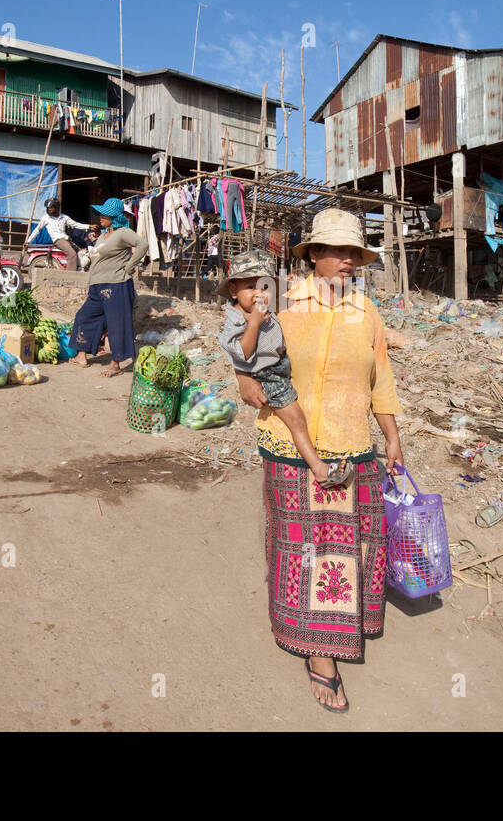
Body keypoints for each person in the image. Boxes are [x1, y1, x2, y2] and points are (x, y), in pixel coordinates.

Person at [234, 208, 404, 714]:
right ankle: (320, 656)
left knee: (351, 546)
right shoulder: (283, 304)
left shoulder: (367, 312)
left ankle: (338, 629)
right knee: (306, 548)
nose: (349, 260)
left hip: (354, 443)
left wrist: (393, 438)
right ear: (313, 255)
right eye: (339, 251)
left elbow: (382, 379)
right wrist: (244, 380)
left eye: (355, 252)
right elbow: (247, 354)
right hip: (291, 445)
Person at [219, 249, 352, 488]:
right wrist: (254, 324)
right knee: (297, 421)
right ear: (233, 291)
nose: (259, 294)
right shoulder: (238, 319)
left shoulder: (266, 307)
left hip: (281, 365)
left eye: (265, 287)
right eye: (251, 287)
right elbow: (242, 353)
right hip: (269, 375)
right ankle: (319, 468)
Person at [70, 198, 146, 376]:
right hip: (97, 286)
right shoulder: (104, 236)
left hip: (116, 284)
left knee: (116, 324)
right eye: (101, 214)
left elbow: (143, 244)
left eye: (105, 214)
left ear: (114, 217)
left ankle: (115, 365)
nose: (100, 217)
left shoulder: (123, 232)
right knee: (84, 316)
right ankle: (82, 356)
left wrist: (130, 266)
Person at [26, 198, 90, 271]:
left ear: (57, 208)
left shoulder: (64, 217)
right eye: (48, 208)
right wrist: (29, 241)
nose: (49, 209)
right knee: (72, 254)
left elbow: (75, 224)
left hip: (67, 240)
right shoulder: (46, 218)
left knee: (81, 253)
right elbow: (37, 230)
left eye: (51, 208)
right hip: (58, 240)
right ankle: (70, 276)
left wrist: (89, 226)